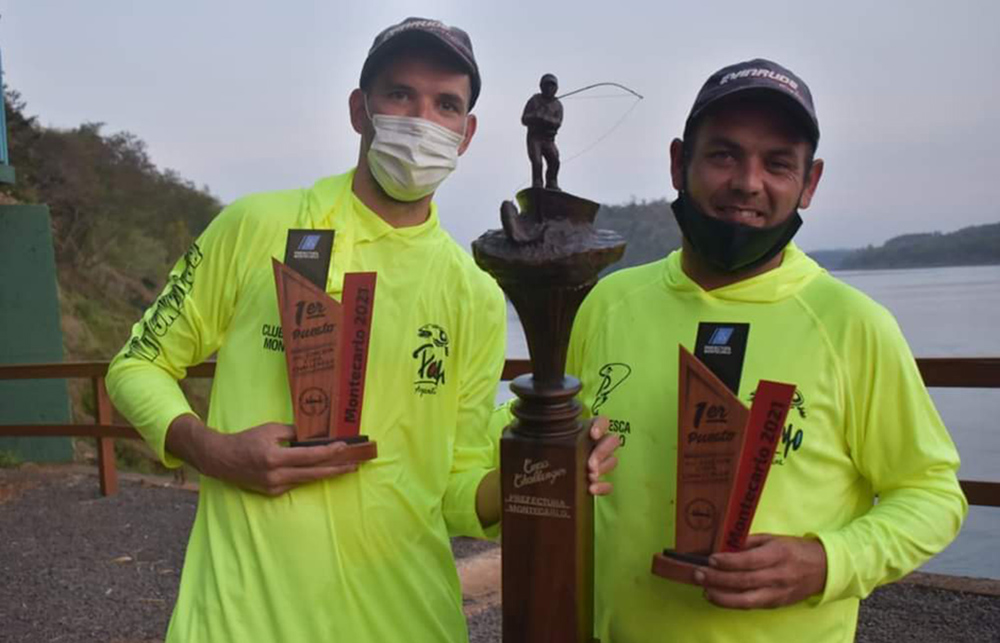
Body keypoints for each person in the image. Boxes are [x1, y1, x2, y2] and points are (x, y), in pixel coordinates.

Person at [107, 17, 618, 642]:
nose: (423, 120)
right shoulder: (258, 226)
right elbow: (136, 365)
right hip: (240, 622)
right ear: (359, 110)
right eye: (401, 94)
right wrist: (210, 450)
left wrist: (550, 467)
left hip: (410, 621)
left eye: (446, 105)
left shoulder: (476, 293)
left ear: (466, 134)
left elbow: (455, 489)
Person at [566, 58, 967, 642]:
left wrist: (828, 561)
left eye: (778, 163)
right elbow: (556, 441)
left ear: (810, 182)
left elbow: (932, 493)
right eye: (723, 155)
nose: (748, 183)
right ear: (678, 163)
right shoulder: (609, 303)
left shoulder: (852, 325)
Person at [521, 72, 563, 190]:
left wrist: (544, 118)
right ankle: (537, 182)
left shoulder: (557, 105)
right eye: (546, 85)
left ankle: (552, 182)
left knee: (554, 160)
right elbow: (524, 119)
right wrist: (535, 116)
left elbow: (558, 122)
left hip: (549, 140)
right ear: (541, 86)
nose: (549, 88)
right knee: (537, 161)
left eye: (552, 86)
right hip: (535, 138)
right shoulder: (534, 100)